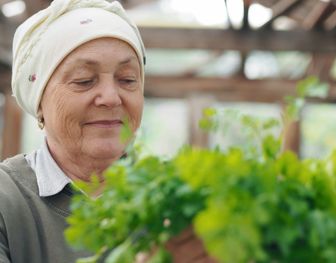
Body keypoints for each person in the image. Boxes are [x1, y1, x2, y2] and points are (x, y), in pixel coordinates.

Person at [0, 0, 216, 262]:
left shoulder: (180, 192)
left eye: (127, 80)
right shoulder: (7, 199)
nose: (111, 98)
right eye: (84, 80)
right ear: (40, 102)